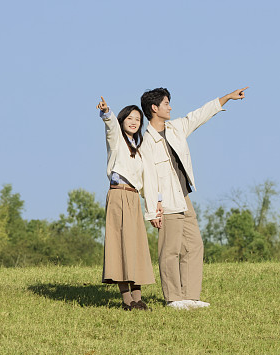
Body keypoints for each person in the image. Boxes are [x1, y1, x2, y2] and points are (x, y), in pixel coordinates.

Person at [139, 86, 248, 310]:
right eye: (167, 103)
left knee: (194, 245)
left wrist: (226, 98)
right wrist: (152, 210)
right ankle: (173, 298)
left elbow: (198, 115)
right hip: (165, 202)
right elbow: (147, 180)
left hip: (183, 197)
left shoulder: (176, 128)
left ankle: (190, 296)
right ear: (154, 108)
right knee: (170, 250)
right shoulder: (147, 143)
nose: (170, 107)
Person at [97, 96, 159, 311]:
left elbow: (146, 181)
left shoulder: (140, 149)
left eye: (138, 119)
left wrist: (153, 208)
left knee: (136, 246)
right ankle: (127, 300)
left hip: (133, 198)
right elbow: (111, 127)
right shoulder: (117, 140)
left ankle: (138, 298)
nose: (134, 122)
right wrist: (107, 112)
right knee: (120, 246)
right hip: (118, 195)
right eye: (130, 118)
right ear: (122, 120)